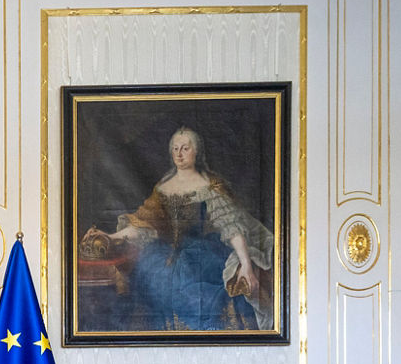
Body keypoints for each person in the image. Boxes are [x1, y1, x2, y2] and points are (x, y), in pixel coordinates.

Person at [84, 126, 274, 332]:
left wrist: (245, 262)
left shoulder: (211, 185)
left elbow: (231, 226)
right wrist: (111, 236)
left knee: (199, 287)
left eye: (185, 148)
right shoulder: (163, 187)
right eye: (175, 149)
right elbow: (144, 224)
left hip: (206, 255)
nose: (179, 154)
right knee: (153, 276)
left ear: (197, 151)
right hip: (167, 255)